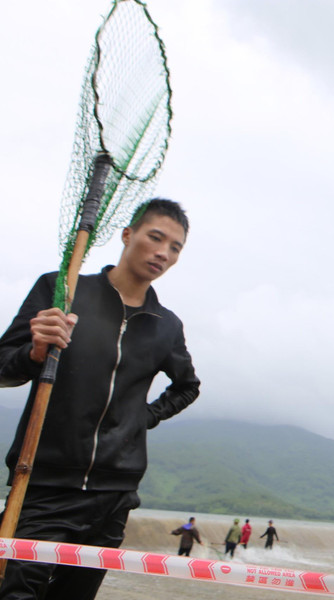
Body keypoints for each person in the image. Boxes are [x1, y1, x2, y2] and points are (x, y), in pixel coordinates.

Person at [0, 198, 200, 600]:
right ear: (128, 235)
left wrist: (141, 418)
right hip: (42, 483)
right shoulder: (64, 289)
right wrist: (36, 352)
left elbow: (187, 386)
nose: (163, 252)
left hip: (113, 497)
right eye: (155, 238)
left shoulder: (166, 325)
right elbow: (5, 366)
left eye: (175, 247)